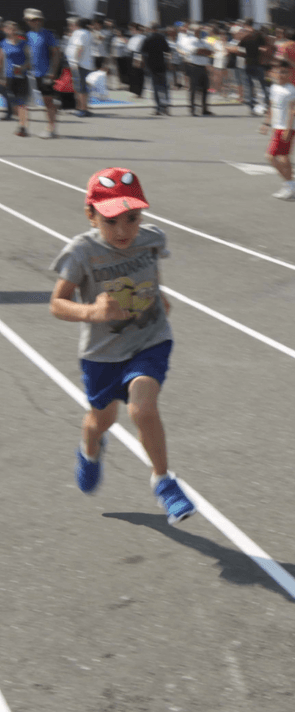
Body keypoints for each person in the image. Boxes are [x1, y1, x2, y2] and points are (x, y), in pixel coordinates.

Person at [49, 167, 196, 525]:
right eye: (110, 220)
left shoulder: (152, 238)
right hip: (102, 354)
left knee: (142, 409)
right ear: (91, 215)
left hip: (150, 339)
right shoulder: (81, 252)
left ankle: (163, 481)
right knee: (101, 420)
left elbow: (150, 269)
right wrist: (91, 312)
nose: (122, 230)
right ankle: (89, 449)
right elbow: (57, 304)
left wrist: (158, 294)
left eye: (132, 218)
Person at [256, 59, 295, 200]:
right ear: (273, 73)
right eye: (278, 72)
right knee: (284, 158)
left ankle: (290, 183)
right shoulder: (274, 88)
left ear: (289, 74)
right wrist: (266, 123)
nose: (281, 75)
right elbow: (272, 107)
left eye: (284, 72)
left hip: (287, 128)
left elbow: (293, 111)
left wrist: (288, 129)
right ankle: (290, 185)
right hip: (277, 127)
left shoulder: (291, 90)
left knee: (270, 157)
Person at [24, 8, 60, 138]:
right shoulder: (28, 35)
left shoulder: (48, 34)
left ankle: (51, 128)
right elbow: (27, 54)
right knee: (43, 102)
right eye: (30, 20)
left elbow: (56, 54)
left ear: (40, 20)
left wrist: (52, 72)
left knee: (47, 101)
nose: (33, 22)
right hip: (33, 74)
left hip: (46, 73)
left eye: (35, 19)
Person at [1, 20, 32, 136]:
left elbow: (30, 59)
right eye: (9, 29)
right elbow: (1, 61)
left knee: (22, 102)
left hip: (21, 76)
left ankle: (22, 127)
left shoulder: (23, 43)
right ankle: (20, 122)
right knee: (14, 103)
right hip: (8, 76)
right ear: (5, 30)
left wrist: (23, 67)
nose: (12, 31)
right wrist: (1, 77)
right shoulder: (3, 43)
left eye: (14, 29)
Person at [179, 24, 214, 116]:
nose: (199, 32)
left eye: (200, 30)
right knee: (193, 89)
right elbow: (196, 51)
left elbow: (211, 52)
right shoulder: (189, 41)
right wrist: (204, 51)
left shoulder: (204, 41)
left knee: (205, 88)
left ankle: (204, 108)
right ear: (193, 31)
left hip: (203, 67)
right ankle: (192, 109)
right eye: (198, 30)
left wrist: (203, 51)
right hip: (194, 66)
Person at [65, 17, 97, 118]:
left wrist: (75, 61)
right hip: (86, 64)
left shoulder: (79, 33)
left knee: (80, 88)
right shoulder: (88, 33)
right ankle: (83, 108)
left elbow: (79, 47)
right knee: (82, 87)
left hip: (79, 64)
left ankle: (82, 109)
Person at [141, 24, 170, 115]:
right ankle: (166, 107)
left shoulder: (148, 38)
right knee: (164, 87)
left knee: (156, 87)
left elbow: (143, 51)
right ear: (157, 29)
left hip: (152, 65)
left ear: (151, 29)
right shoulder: (162, 38)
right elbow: (167, 50)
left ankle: (158, 108)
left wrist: (144, 63)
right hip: (162, 64)